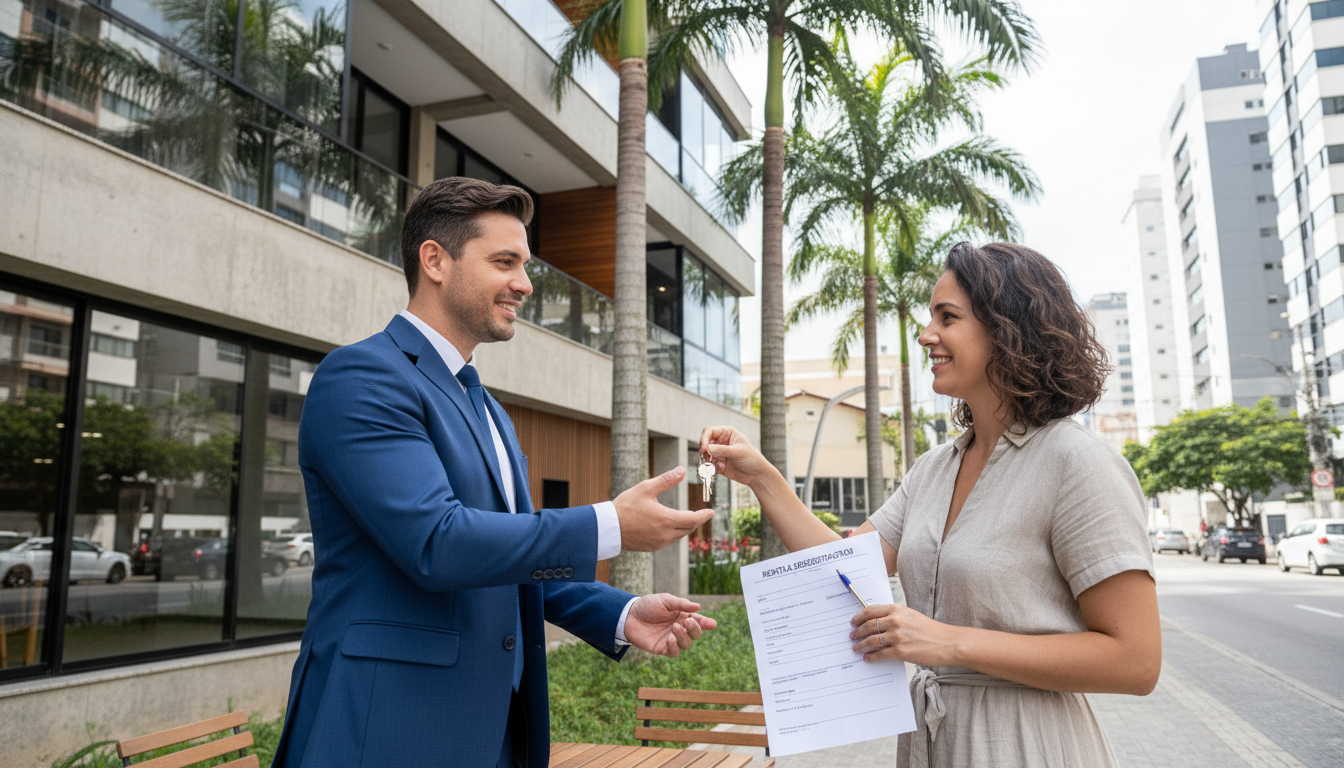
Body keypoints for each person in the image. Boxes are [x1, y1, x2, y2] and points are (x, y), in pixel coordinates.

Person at [273, 178, 717, 768]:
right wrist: (608, 525)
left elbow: (507, 559)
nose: (525, 284)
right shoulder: (360, 378)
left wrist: (619, 612)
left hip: (495, 734)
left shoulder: (488, 409)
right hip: (387, 729)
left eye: (525, 264)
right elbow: (438, 542)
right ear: (435, 260)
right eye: (504, 262)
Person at [701, 242, 1160, 767]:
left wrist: (944, 643)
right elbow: (840, 569)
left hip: (1027, 746)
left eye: (949, 317)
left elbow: (1136, 661)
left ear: (1009, 330)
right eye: (930, 317)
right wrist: (761, 477)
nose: (926, 335)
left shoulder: (1078, 463)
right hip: (928, 742)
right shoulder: (935, 468)